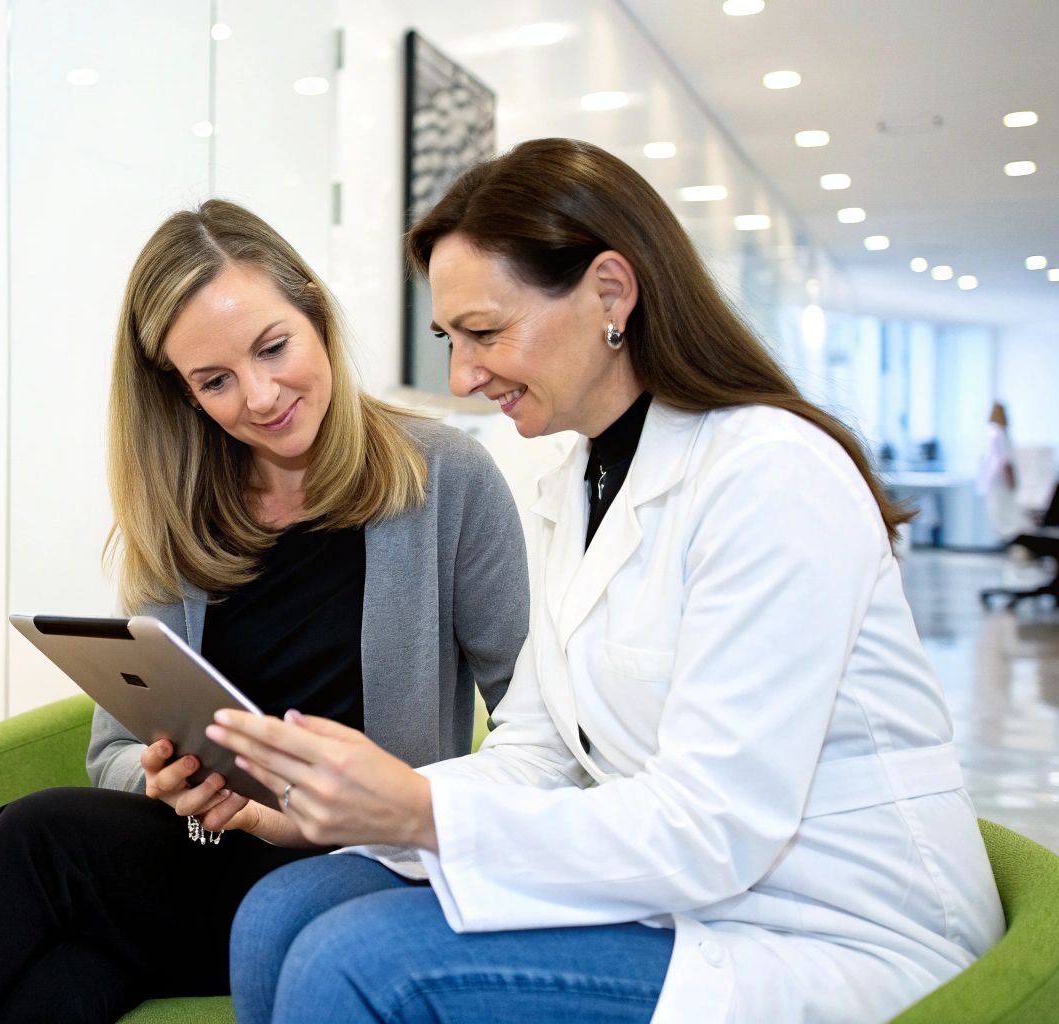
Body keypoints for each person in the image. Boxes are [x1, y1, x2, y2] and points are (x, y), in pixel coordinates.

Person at [211, 138, 1006, 1024]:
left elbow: (715, 827)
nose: (462, 376)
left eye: (484, 332)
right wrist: (352, 809)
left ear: (611, 294)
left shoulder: (772, 474)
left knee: (356, 964)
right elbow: (542, 750)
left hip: (830, 928)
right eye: (450, 339)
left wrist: (421, 813)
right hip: (688, 894)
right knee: (279, 913)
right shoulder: (578, 482)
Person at [0, 199, 530, 1023]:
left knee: (39, 837)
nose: (261, 396)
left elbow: (534, 723)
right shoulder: (185, 510)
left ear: (316, 315)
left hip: (364, 867)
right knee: (66, 977)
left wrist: (415, 808)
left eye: (273, 348)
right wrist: (164, 780)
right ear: (184, 393)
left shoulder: (445, 478)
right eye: (215, 381)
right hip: (205, 856)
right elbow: (111, 754)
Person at [977, 401, 1022, 542]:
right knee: (1002, 511)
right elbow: (1005, 460)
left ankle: (1007, 539)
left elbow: (1003, 459)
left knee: (1000, 511)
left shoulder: (994, 432)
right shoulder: (998, 433)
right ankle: (1008, 539)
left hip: (996, 478)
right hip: (999, 479)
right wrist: (1011, 479)